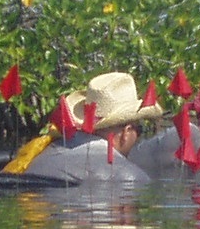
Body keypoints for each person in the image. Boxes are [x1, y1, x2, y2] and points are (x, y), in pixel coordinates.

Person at [22, 72, 163, 184]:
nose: (138, 138)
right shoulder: (129, 176)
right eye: (139, 131)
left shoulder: (42, 154)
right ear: (126, 132)